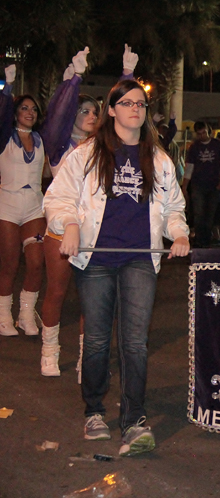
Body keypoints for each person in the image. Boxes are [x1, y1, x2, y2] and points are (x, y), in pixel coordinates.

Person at [43, 79, 190, 456]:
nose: (135, 109)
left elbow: (174, 208)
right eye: (126, 103)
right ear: (111, 109)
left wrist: (179, 234)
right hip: (95, 260)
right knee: (95, 340)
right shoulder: (87, 154)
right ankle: (94, 411)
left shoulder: (158, 158)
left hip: (140, 258)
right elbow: (57, 198)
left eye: (140, 103)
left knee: (135, 343)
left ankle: (134, 420)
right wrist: (70, 225)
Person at [40, 46, 138, 377]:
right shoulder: (57, 143)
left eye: (95, 111)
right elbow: (56, 116)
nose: (92, 116)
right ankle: (49, 351)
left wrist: (127, 76)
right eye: (84, 111)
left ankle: (87, 358)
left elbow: (124, 114)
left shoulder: (104, 147)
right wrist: (75, 78)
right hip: (60, 230)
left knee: (93, 303)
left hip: (95, 233)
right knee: (56, 291)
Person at [0, 64, 46, 339]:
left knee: (37, 262)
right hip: (7, 205)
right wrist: (8, 88)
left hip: (33, 207)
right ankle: (3, 314)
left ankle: (26, 313)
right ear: (16, 112)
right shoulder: (4, 137)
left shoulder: (42, 139)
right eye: (24, 108)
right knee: (8, 264)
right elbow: (2, 115)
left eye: (33, 109)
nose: (29, 113)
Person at [181, 121, 220, 247]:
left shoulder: (218, 145)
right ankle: (200, 240)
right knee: (198, 213)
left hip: (213, 185)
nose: (202, 136)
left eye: (204, 133)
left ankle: (205, 240)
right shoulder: (194, 147)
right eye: (199, 134)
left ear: (208, 131)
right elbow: (189, 167)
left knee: (209, 214)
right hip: (198, 184)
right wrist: (185, 185)